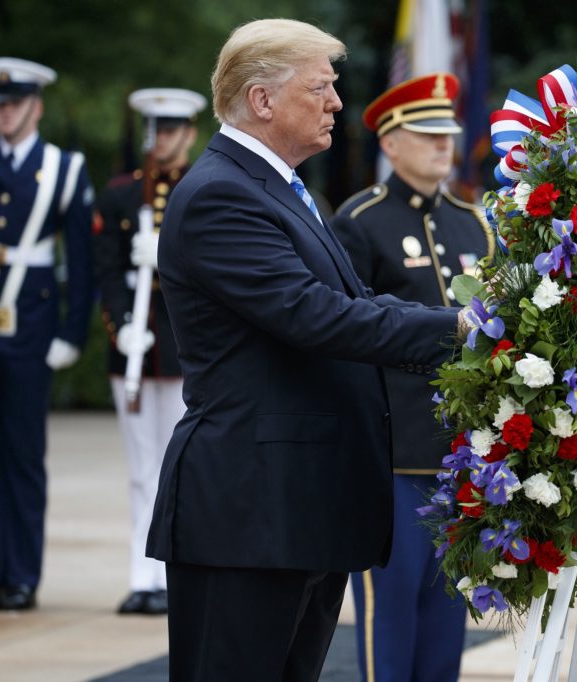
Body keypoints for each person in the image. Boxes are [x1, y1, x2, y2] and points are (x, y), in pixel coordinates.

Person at [144, 19, 466, 681]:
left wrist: (459, 321)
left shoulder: (286, 191)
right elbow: (317, 318)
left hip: (298, 507)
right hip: (249, 511)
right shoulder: (220, 196)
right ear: (263, 101)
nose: (337, 103)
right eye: (320, 87)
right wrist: (463, 330)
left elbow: (362, 306)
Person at [332, 73, 493, 682]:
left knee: (447, 610)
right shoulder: (360, 221)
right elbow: (349, 334)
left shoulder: (473, 224)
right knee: (389, 611)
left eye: (446, 133)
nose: (441, 145)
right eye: (425, 134)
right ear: (391, 143)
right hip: (392, 451)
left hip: (461, 450)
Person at [0, 57, 93, 611]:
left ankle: (24, 577)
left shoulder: (63, 167)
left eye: (14, 104)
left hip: (31, 327)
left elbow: (80, 262)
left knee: (24, 456)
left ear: (36, 107)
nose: (3, 112)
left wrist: (72, 332)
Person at [93, 88, 206, 616]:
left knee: (181, 465)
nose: (160, 140)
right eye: (153, 130)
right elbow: (107, 270)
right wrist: (120, 328)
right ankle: (145, 575)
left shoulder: (202, 190)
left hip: (187, 346)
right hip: (138, 346)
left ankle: (178, 572)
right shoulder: (121, 196)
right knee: (143, 467)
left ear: (188, 133)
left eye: (170, 130)